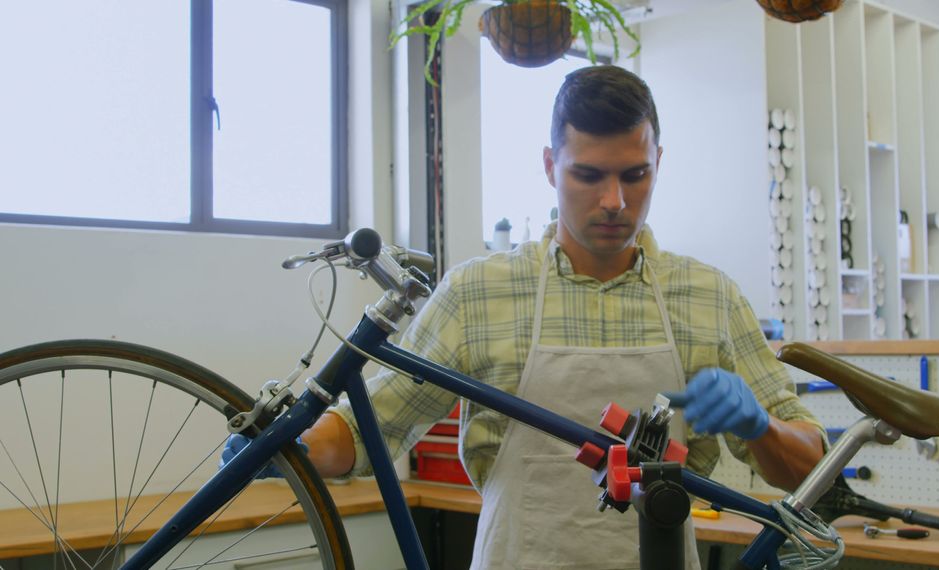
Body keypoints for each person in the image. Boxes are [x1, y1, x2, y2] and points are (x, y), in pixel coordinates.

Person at [228, 65, 825, 569]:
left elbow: (806, 467)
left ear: (658, 161)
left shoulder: (709, 296)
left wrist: (762, 427)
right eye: (588, 175)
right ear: (549, 165)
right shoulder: (478, 292)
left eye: (635, 175)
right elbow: (367, 431)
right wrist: (286, 448)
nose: (614, 200)